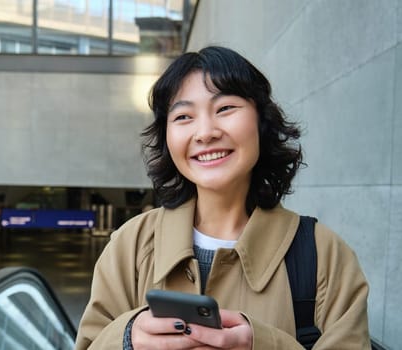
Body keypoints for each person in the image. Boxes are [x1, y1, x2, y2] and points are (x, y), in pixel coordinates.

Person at [75, 46, 370, 349]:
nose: (205, 132)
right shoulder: (131, 245)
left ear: (261, 121)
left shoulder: (324, 254)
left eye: (225, 108)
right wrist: (127, 337)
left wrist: (263, 344)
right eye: (183, 116)